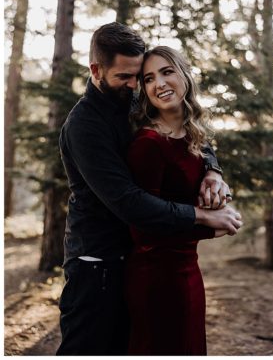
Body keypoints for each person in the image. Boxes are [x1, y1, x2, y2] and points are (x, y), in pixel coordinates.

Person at [56, 23, 243, 355]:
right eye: (125, 77)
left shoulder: (131, 103)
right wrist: (202, 217)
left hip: (134, 259)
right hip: (97, 264)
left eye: (137, 76)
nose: (134, 86)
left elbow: (181, 129)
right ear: (96, 70)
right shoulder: (84, 126)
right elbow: (129, 202)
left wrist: (213, 170)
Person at [124, 46, 229, 354]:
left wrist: (217, 181)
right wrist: (210, 227)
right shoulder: (148, 144)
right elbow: (142, 230)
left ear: (185, 75)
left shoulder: (192, 135)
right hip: (156, 279)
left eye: (167, 72)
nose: (159, 83)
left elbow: (192, 183)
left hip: (188, 271)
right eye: (148, 78)